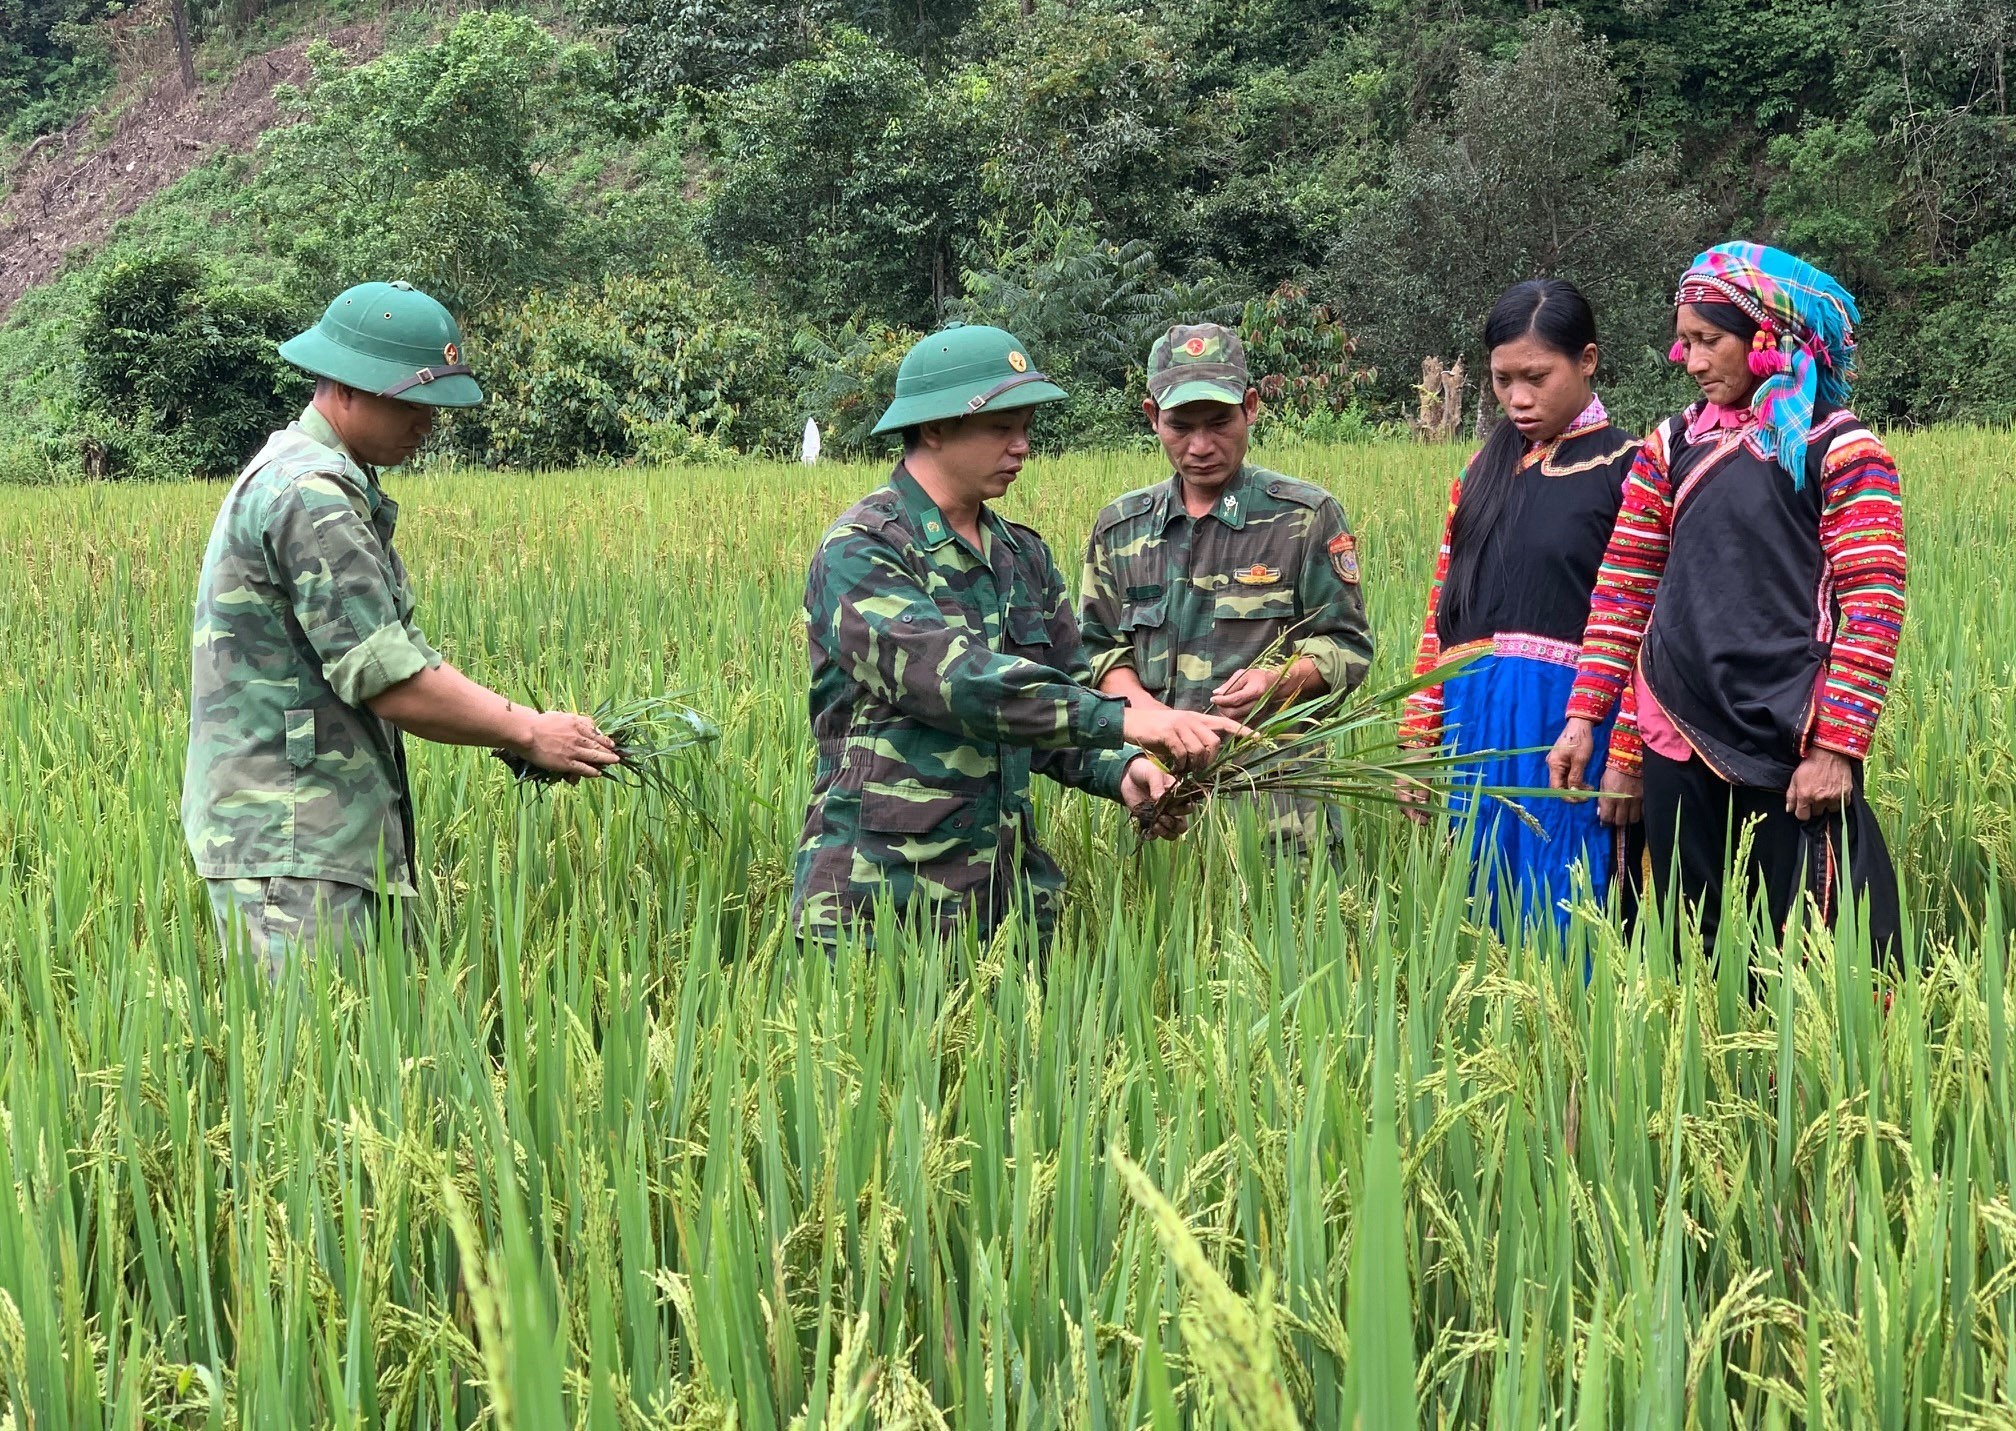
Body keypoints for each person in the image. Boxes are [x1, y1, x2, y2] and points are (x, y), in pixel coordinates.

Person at [183, 280, 620, 973]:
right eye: (412, 402)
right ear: (349, 389)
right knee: (318, 1073)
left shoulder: (327, 482)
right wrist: (528, 730)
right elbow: (392, 680)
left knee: (368, 1065)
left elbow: (399, 655)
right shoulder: (311, 496)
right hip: (294, 847)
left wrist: (522, 734)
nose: (428, 424)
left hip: (318, 838)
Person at [791, 324, 1249, 945]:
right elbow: (957, 683)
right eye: (1000, 428)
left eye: (1026, 426)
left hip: (1007, 899)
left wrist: (1121, 770)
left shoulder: (1021, 554)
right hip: (880, 900)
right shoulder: (863, 550)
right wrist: (1127, 720)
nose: (1021, 446)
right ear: (934, 428)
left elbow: (1057, 700)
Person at [1548, 242, 1906, 965]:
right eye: (1685, 342)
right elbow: (1625, 587)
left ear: (1765, 336)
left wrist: (1838, 743)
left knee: (1804, 944)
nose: (1691, 359)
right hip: (1676, 723)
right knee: (1689, 937)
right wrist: (1588, 718)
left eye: (1707, 340)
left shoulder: (1840, 449)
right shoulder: (1669, 445)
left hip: (1788, 731)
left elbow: (1873, 599)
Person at [1399, 280, 1644, 932]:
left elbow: (1646, 620)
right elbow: (1442, 611)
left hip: (1568, 728)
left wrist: (1627, 748)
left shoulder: (1632, 467)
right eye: (1503, 380)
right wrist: (1419, 733)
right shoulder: (1479, 471)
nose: (1519, 398)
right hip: (1472, 721)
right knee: (1478, 903)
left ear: (1587, 360)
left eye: (1537, 376)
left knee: (1571, 898)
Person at [1077, 323, 1374, 851]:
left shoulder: (1304, 517)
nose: (1200, 446)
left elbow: (1348, 647)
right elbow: (1098, 652)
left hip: (1278, 800)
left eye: (1219, 423)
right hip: (1162, 793)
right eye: (1179, 426)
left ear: (1251, 408)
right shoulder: (1121, 528)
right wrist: (1156, 720)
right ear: (1152, 417)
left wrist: (1278, 679)